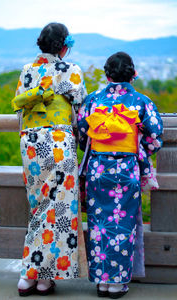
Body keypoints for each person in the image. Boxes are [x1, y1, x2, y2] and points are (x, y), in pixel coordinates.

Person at [77, 52, 163, 298]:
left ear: (107, 75)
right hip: (126, 169)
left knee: (98, 224)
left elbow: (84, 135)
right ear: (133, 74)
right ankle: (116, 283)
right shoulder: (141, 101)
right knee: (122, 224)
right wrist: (136, 145)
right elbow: (155, 139)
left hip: (98, 168)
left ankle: (101, 282)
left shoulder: (93, 99)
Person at [12, 22, 87, 297]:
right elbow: (80, 111)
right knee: (59, 211)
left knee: (39, 208)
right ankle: (40, 279)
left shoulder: (27, 71)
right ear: (64, 46)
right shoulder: (71, 70)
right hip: (58, 142)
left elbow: (20, 112)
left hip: (30, 144)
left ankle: (29, 278)